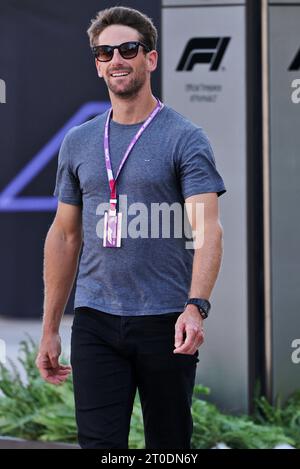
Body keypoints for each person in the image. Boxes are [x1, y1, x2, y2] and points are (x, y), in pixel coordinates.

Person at [36, 6, 226, 449]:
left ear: (151, 59)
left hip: (166, 321)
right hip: (96, 321)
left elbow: (208, 231)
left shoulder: (185, 137)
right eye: (106, 52)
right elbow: (65, 235)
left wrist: (196, 308)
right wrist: (49, 328)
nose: (117, 59)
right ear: (97, 64)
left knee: (169, 446)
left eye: (128, 48)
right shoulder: (79, 141)